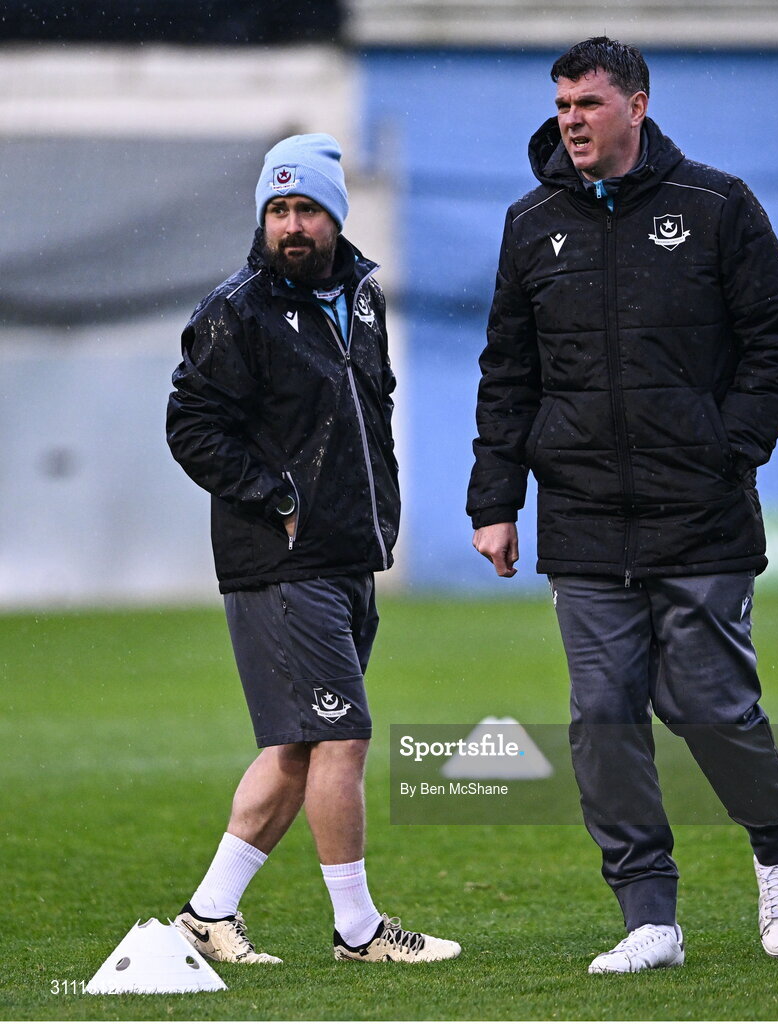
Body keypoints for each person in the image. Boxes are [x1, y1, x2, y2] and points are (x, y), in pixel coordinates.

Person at [467, 38, 778, 973]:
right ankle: (648, 917)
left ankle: (776, 853)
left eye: (587, 101)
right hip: (581, 520)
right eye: (561, 103)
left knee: (711, 710)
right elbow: (510, 375)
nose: (570, 118)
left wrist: (728, 449)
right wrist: (495, 501)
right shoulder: (530, 223)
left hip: (699, 513)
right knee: (603, 717)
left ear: (638, 105)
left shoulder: (717, 206)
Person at [167, 133, 460, 965]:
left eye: (305, 209)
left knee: (295, 744)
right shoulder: (237, 310)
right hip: (282, 561)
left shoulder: (362, 298)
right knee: (344, 736)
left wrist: (382, 518)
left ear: (335, 215)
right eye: (277, 209)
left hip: (346, 557)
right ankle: (358, 930)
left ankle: (207, 915)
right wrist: (278, 496)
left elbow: (372, 416)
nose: (290, 225)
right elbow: (190, 427)